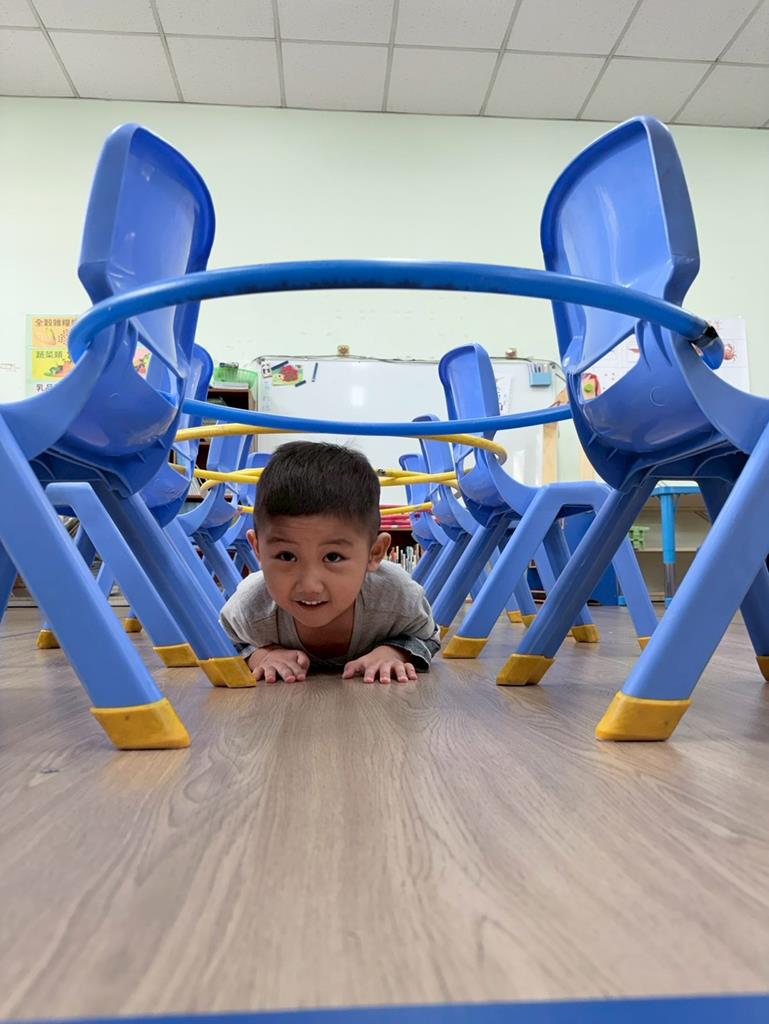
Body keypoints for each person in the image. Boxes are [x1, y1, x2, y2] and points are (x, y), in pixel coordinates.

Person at [220, 441, 440, 683]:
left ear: (374, 553)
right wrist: (261, 655)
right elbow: (222, 640)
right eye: (286, 556)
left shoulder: (395, 595)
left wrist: (395, 652)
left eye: (333, 557)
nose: (310, 585)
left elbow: (428, 635)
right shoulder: (251, 605)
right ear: (258, 549)